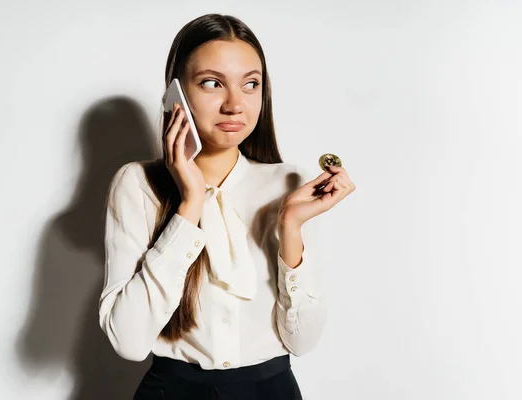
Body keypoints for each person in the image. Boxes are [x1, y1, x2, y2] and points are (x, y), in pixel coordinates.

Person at [98, 13, 356, 400]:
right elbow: (129, 342)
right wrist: (190, 204)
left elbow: (301, 341)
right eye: (212, 83)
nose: (235, 104)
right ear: (176, 93)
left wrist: (290, 227)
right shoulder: (137, 184)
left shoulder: (288, 184)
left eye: (250, 84)